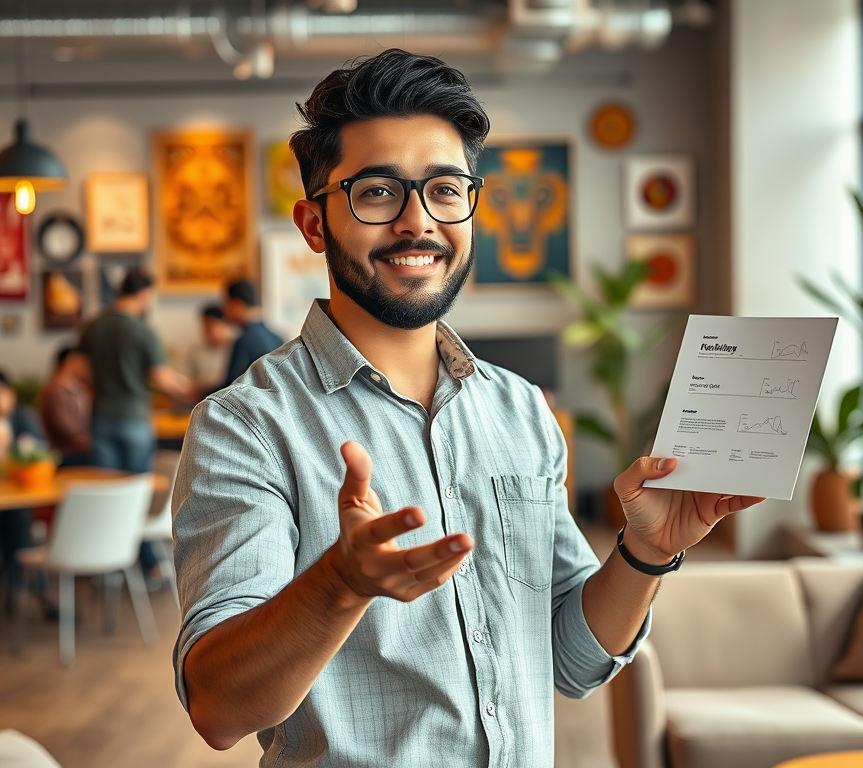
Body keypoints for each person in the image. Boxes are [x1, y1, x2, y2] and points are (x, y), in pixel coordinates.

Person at [172, 49, 764, 767]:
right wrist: (340, 583)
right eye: (378, 192)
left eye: (445, 190)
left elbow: (573, 661)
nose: (417, 223)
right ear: (314, 224)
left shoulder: (521, 411)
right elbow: (219, 708)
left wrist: (649, 551)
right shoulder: (246, 427)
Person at [78, 269, 196, 577]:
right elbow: (161, 378)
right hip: (134, 420)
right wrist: (190, 387)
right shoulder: (142, 332)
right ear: (144, 295)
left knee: (106, 492)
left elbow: (81, 371)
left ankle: (107, 565)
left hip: (101, 417)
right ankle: (143, 564)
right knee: (135, 494)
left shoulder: (93, 326)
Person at [0, 370, 49, 610]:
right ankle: (29, 593)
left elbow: (41, 453)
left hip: (18, 496)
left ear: (12, 394)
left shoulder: (23, 417)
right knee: (19, 526)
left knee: (19, 520)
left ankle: (18, 591)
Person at [220, 278, 284, 387]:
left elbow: (231, 388)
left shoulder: (245, 340)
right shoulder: (279, 338)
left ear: (236, 303)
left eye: (226, 303)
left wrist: (198, 392)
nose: (223, 309)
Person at [39, 346, 93, 466]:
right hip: (65, 454)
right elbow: (67, 432)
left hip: (83, 449)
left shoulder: (81, 389)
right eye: (82, 361)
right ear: (70, 361)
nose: (86, 366)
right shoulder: (54, 391)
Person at [180, 304, 234, 396]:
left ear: (224, 325)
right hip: (202, 400)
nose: (205, 331)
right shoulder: (195, 351)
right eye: (203, 326)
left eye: (209, 327)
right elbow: (186, 381)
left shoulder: (236, 348)